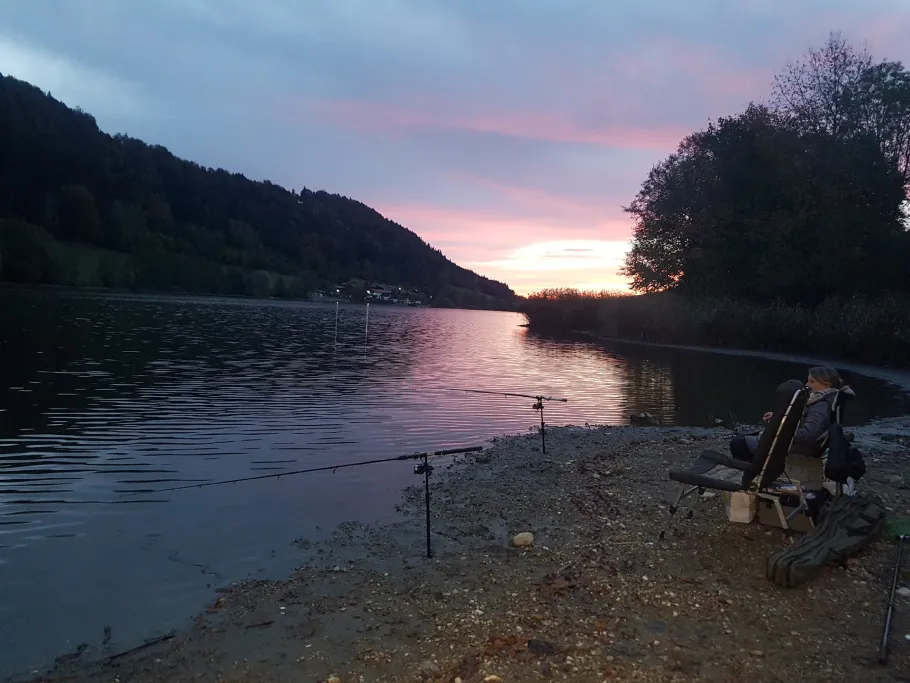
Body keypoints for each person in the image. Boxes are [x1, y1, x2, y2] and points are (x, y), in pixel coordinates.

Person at [732, 366, 850, 461]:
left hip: (800, 446)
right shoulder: (822, 399)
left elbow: (808, 434)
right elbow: (802, 420)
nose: (807, 385)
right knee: (743, 437)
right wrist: (777, 418)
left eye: (812, 381)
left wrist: (779, 432)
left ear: (826, 385)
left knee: (739, 444)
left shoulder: (821, 405)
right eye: (808, 380)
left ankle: (756, 470)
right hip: (800, 442)